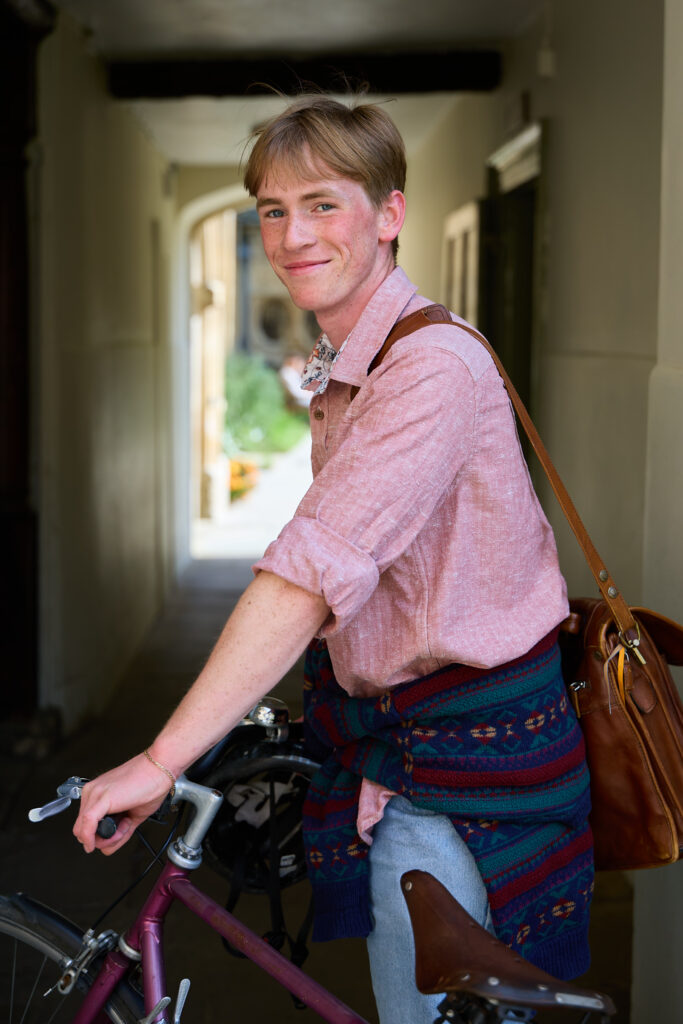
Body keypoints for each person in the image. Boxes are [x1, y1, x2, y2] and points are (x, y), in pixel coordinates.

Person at [74, 96, 593, 1024]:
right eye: (272, 209)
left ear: (389, 213)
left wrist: (162, 758)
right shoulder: (358, 356)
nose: (291, 234)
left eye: (322, 203)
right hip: (402, 743)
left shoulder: (427, 368)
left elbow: (311, 573)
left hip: (464, 771)